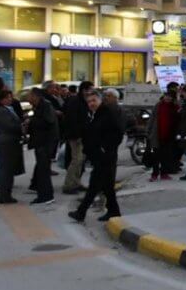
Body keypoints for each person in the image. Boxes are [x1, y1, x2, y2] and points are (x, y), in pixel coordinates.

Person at [69, 89, 123, 223]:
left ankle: (81, 212)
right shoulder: (95, 114)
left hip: (104, 156)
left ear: (100, 100)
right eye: (89, 102)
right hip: (98, 156)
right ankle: (113, 211)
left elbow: (118, 132)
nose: (91, 103)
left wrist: (106, 148)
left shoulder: (107, 113)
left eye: (94, 100)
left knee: (95, 185)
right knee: (106, 186)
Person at [26, 88, 59, 205]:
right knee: (41, 170)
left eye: (29, 96)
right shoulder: (38, 106)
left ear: (35, 96)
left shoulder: (45, 106)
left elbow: (48, 122)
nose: (27, 98)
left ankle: (46, 196)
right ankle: (42, 194)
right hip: (40, 143)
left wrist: (31, 121)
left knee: (43, 171)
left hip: (45, 143)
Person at [61, 80, 91, 194]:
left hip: (82, 135)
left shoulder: (84, 101)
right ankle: (68, 185)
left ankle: (76, 182)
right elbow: (72, 120)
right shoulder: (75, 101)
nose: (91, 93)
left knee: (81, 160)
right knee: (76, 160)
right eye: (90, 90)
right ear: (84, 90)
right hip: (76, 136)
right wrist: (77, 135)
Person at [0, 91, 23, 204]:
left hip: (11, 141)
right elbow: (9, 126)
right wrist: (21, 127)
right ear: (1, 100)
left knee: (9, 170)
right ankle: (4, 195)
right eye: (7, 98)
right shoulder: (2, 111)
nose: (10, 99)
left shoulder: (8, 109)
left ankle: (6, 194)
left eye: (10, 97)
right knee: (6, 169)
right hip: (7, 142)